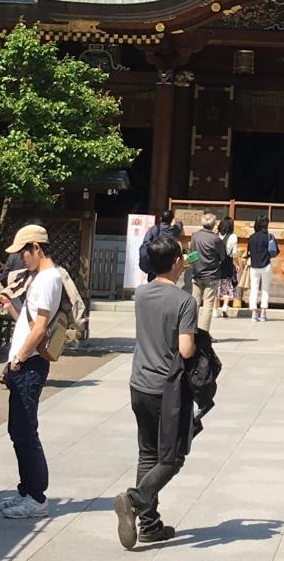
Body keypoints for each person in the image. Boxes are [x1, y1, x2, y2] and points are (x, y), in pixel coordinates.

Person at [113, 231, 196, 550]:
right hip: (167, 388)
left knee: (147, 453)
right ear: (176, 261)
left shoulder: (142, 293)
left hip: (139, 383)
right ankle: (134, 500)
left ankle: (149, 525)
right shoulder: (185, 301)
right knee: (172, 457)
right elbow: (185, 349)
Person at [0, 224, 63, 519]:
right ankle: (27, 491)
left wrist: (19, 358)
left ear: (36, 247)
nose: (21, 258)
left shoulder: (47, 279)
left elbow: (40, 329)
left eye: (23, 252)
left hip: (29, 365)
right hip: (27, 363)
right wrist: (11, 307)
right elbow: (30, 321)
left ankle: (36, 496)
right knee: (19, 430)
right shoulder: (41, 278)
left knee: (25, 431)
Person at [188, 213, 224, 333]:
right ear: (213, 224)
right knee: (208, 304)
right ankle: (204, 333)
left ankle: (191, 330)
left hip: (197, 273)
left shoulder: (195, 236)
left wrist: (194, 266)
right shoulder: (216, 239)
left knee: (195, 303)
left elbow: (192, 254)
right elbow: (222, 256)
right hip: (212, 274)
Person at [245, 215, 277, 323]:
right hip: (266, 265)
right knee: (265, 289)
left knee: (254, 289)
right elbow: (275, 251)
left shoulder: (251, 237)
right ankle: (263, 313)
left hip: (254, 266)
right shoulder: (269, 236)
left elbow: (248, 252)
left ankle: (254, 313)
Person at [141, 210, 182, 283]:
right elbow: (180, 225)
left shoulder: (154, 229)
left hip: (154, 267)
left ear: (160, 218)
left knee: (152, 286)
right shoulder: (173, 230)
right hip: (168, 268)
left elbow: (146, 244)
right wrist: (176, 222)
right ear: (171, 220)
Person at [215, 218, 238, 317]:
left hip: (216, 264)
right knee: (227, 286)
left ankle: (215, 310)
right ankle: (225, 306)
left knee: (215, 287)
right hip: (227, 263)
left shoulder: (215, 235)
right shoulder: (233, 237)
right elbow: (234, 253)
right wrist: (236, 264)